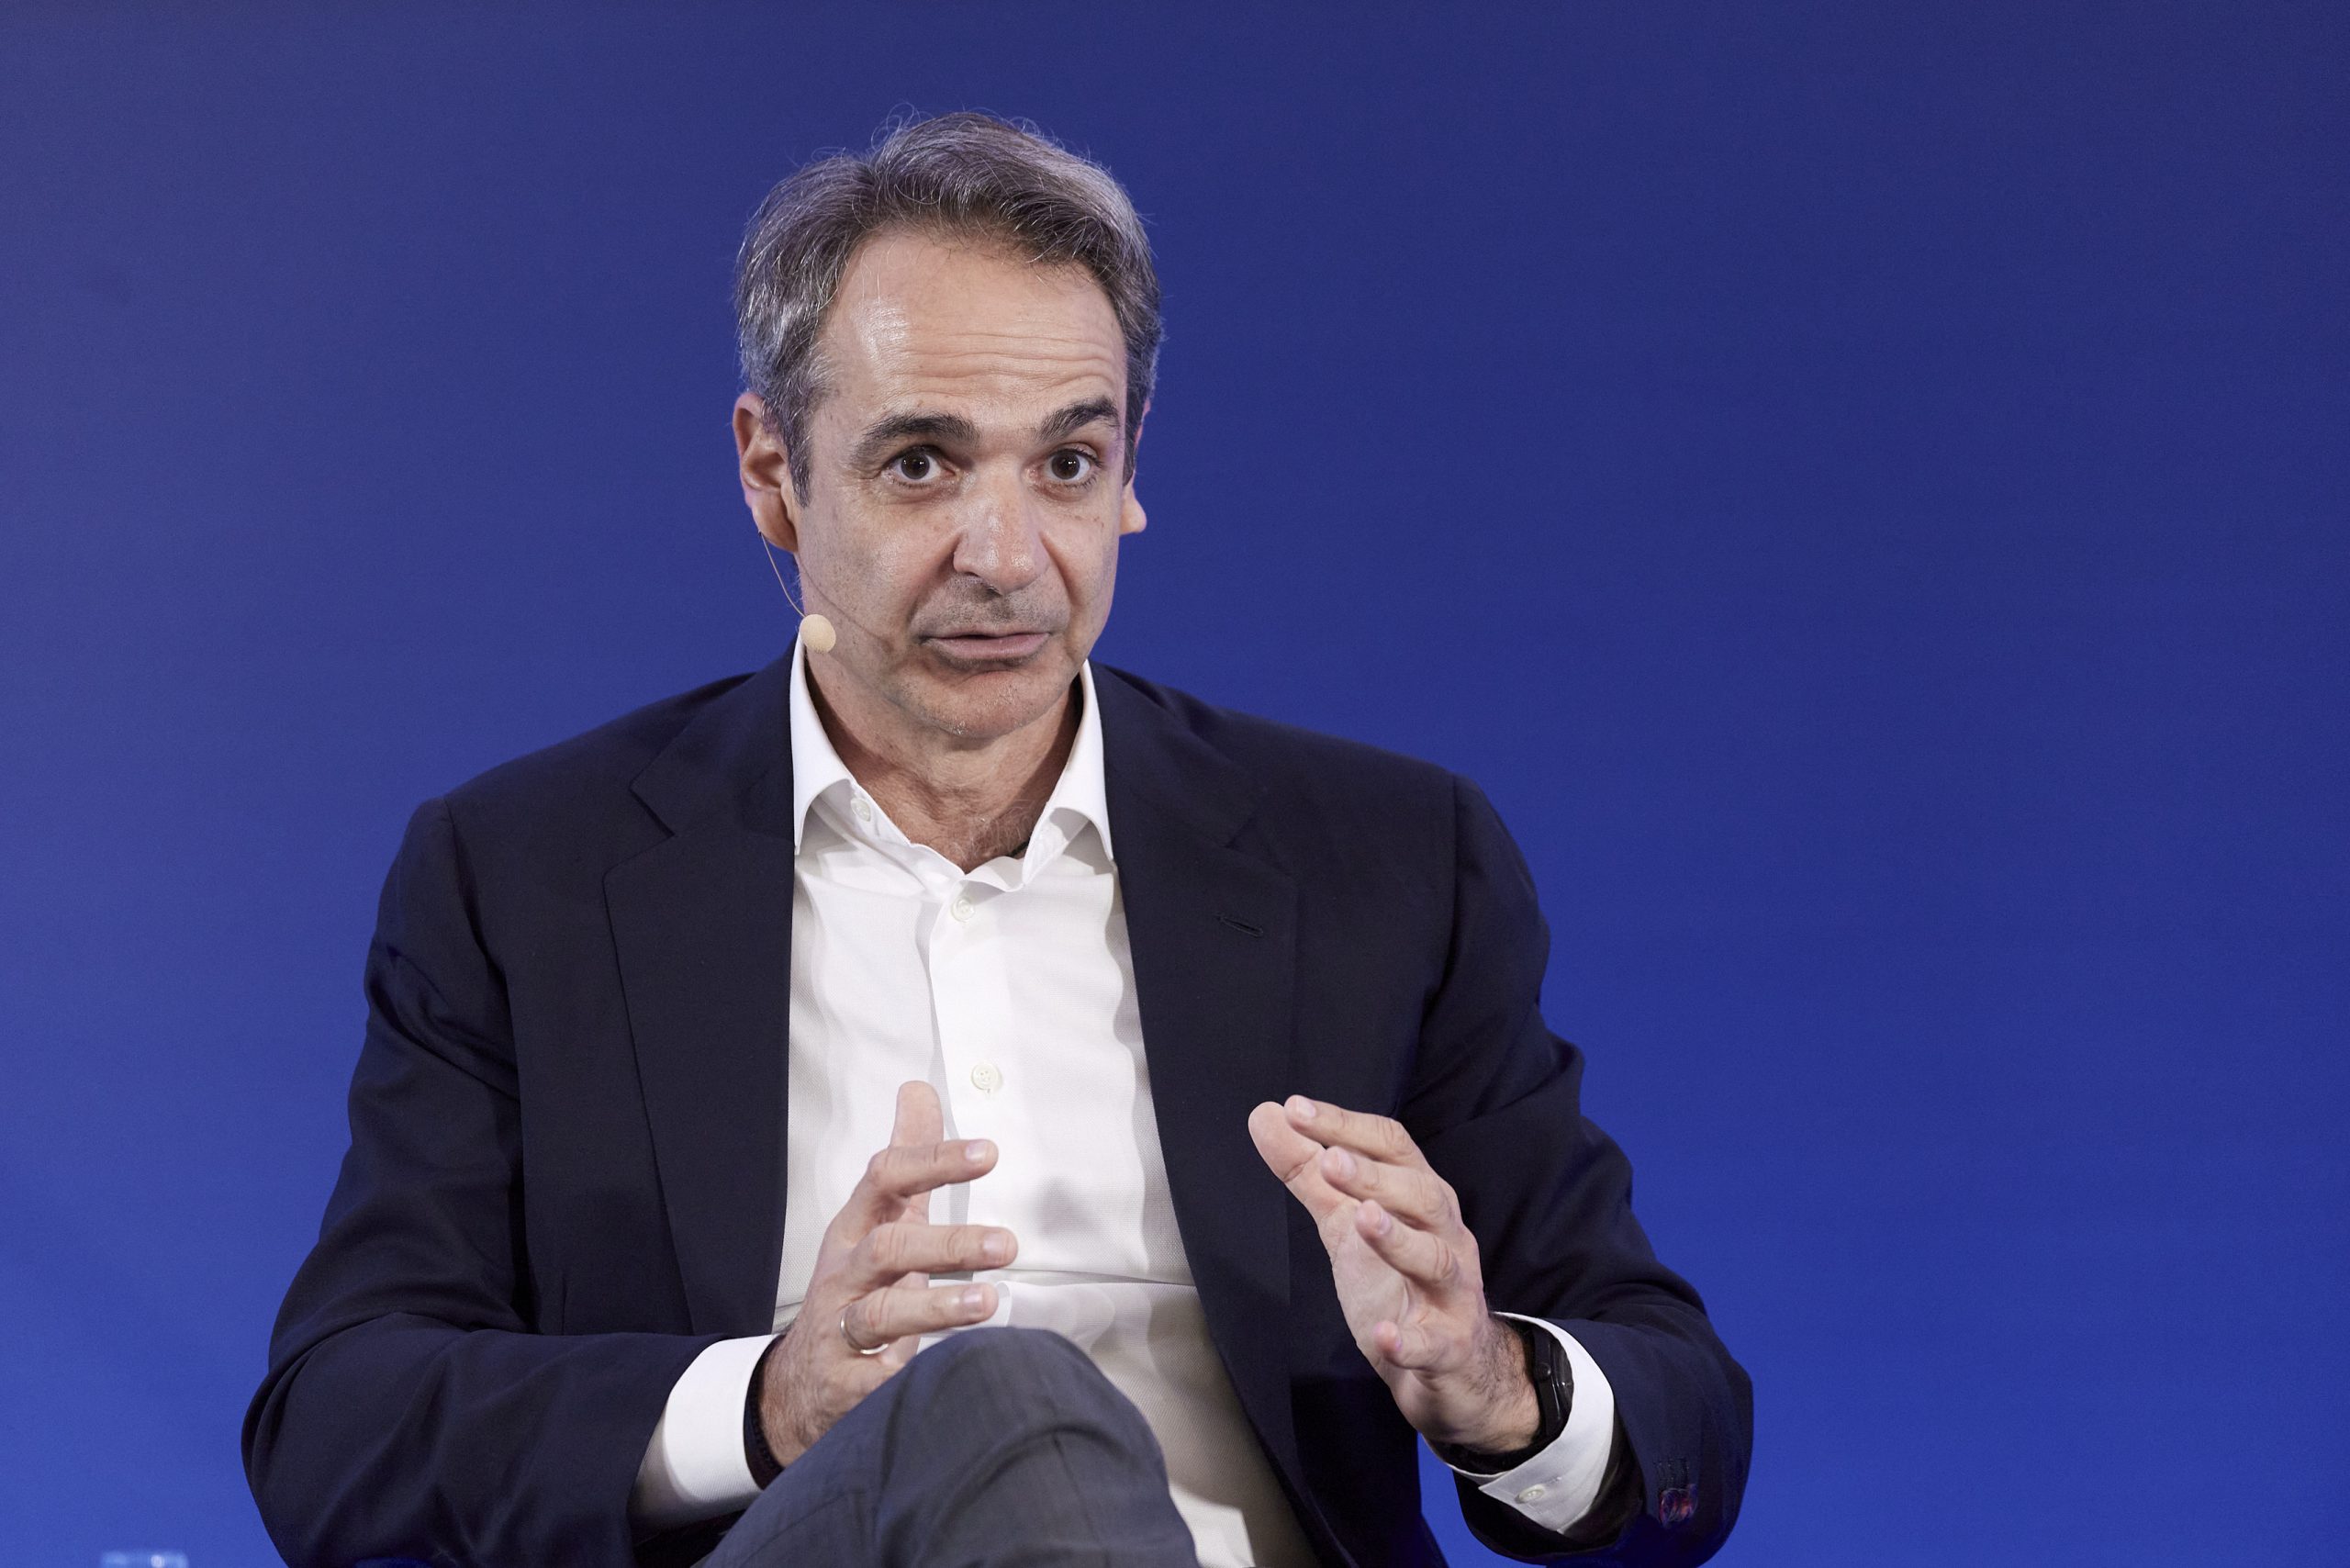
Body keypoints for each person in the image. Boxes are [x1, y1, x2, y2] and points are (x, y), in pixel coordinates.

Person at [243, 112, 1751, 1568]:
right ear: (774, 474)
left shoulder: (1390, 863)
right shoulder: (528, 879)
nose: (1008, 556)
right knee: (1002, 1397)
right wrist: (765, 1404)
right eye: (921, 464)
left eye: (1066, 465)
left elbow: (1685, 1417)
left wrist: (1498, 1387)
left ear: (1132, 467)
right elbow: (337, 1431)